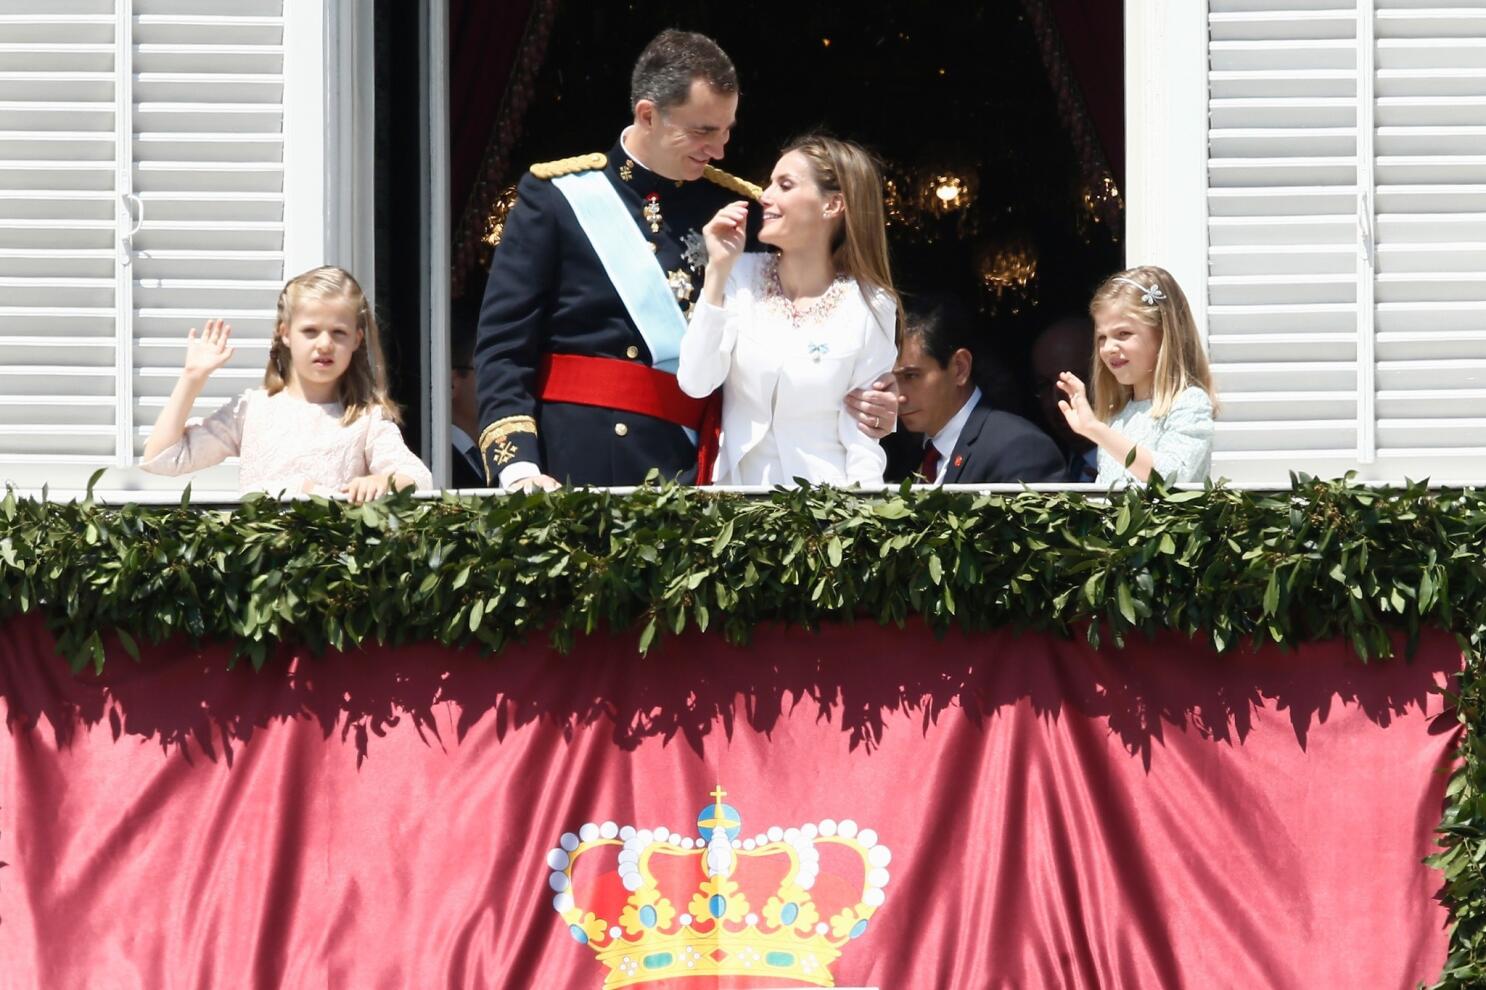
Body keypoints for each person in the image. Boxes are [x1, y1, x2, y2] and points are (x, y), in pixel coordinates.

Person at [474, 29, 897, 490]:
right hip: (578, 463)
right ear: (648, 115)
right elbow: (505, 349)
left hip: (700, 466)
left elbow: (806, 322)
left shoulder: (744, 212)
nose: (719, 149)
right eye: (703, 131)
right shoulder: (557, 198)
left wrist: (872, 398)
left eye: (727, 131)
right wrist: (518, 468)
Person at [676, 136, 900, 486]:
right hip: (737, 504)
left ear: (832, 205)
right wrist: (717, 271)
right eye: (770, 183)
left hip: (827, 509)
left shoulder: (871, 304)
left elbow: (864, 437)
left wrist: (862, 524)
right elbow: (695, 381)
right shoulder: (739, 276)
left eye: (785, 185)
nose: (765, 195)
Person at [139, 266, 432, 501]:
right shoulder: (251, 409)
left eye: (338, 332)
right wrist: (192, 377)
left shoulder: (366, 418)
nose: (325, 344)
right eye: (310, 331)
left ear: (356, 339)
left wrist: (384, 480)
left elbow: (418, 479)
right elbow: (164, 459)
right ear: (286, 334)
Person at [1055, 265, 1217, 485]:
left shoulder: (1190, 402)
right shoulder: (1118, 415)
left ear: (1163, 335)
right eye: (1102, 337)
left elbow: (1171, 476)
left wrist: (1095, 429)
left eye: (1123, 334)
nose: (1109, 347)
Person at [893, 292, 1065, 485]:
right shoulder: (908, 453)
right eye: (891, 379)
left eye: (911, 376)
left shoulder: (1019, 448)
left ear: (960, 368)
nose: (899, 396)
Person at [1031, 316, 1099, 482]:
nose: (1057, 401)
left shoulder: (1135, 463)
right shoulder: (1044, 464)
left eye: (1070, 382)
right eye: (1045, 385)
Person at [449, 303, 486, 488]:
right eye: (486, 371)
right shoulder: (434, 460)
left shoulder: (495, 456)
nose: (498, 384)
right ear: (452, 383)